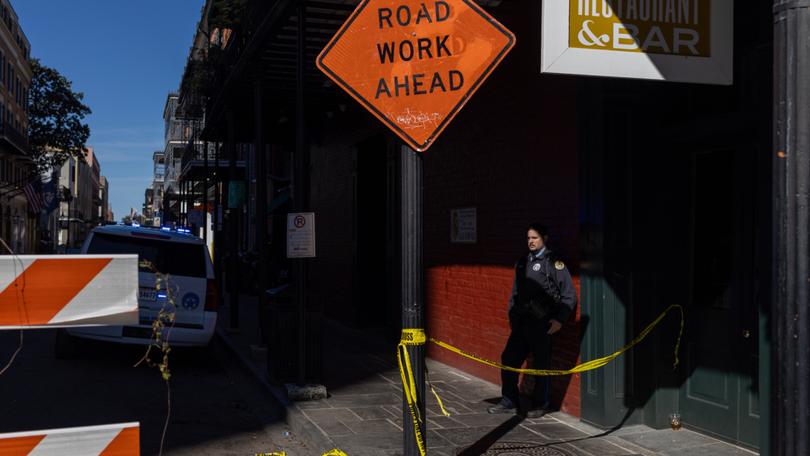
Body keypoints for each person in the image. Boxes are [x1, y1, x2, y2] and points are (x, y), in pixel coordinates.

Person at [488, 223, 577, 418]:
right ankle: (509, 400)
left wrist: (559, 320)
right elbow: (515, 293)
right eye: (528, 238)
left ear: (544, 238)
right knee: (509, 359)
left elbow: (569, 295)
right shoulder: (522, 262)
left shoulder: (553, 263)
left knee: (541, 365)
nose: (530, 241)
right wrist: (512, 315)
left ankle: (540, 403)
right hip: (521, 324)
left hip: (543, 325)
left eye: (534, 238)